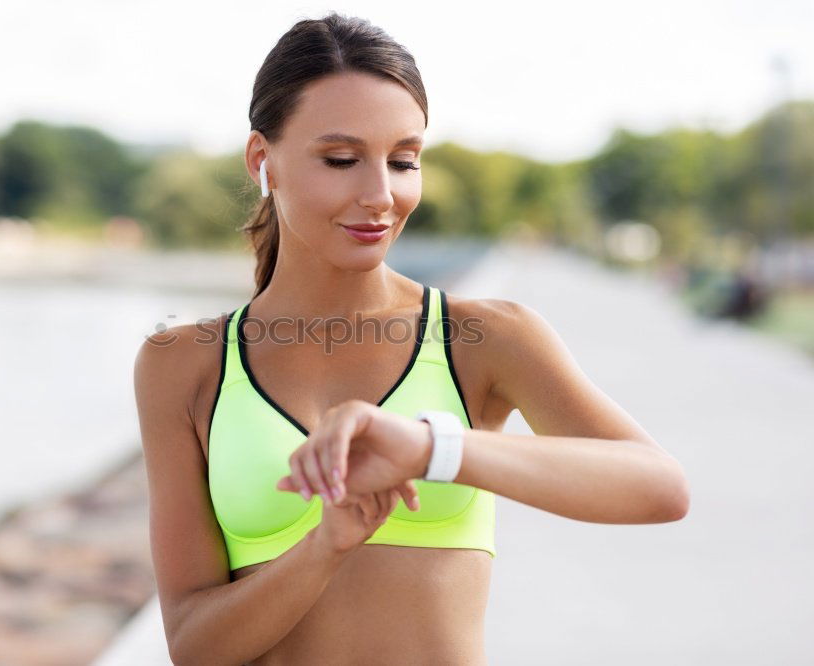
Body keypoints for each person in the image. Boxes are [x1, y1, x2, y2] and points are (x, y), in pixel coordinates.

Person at [133, 12, 691, 665]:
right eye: (341, 159)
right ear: (264, 160)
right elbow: (196, 646)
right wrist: (325, 546)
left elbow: (659, 486)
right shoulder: (182, 364)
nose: (380, 195)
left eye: (403, 161)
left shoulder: (484, 338)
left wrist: (434, 448)